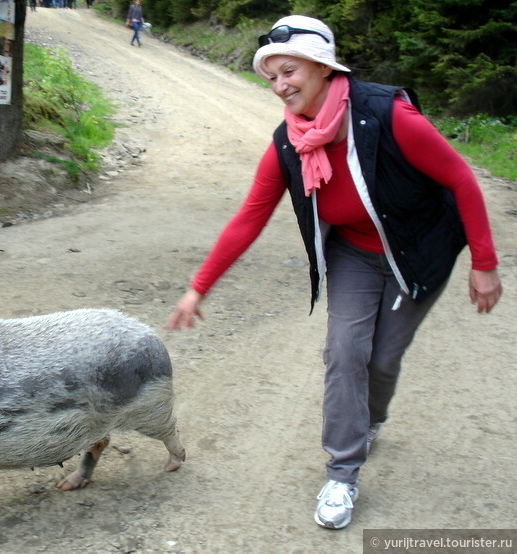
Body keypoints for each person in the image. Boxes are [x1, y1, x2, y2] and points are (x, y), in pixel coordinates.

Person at [165, 15, 502, 530]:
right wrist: (198, 288)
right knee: (346, 352)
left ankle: (373, 419)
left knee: (382, 358)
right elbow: (249, 216)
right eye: (272, 77)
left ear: (322, 67)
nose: (280, 85)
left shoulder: (389, 117)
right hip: (355, 255)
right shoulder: (288, 142)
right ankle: (342, 473)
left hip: (417, 251)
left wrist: (484, 265)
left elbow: (461, 179)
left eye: (289, 70)